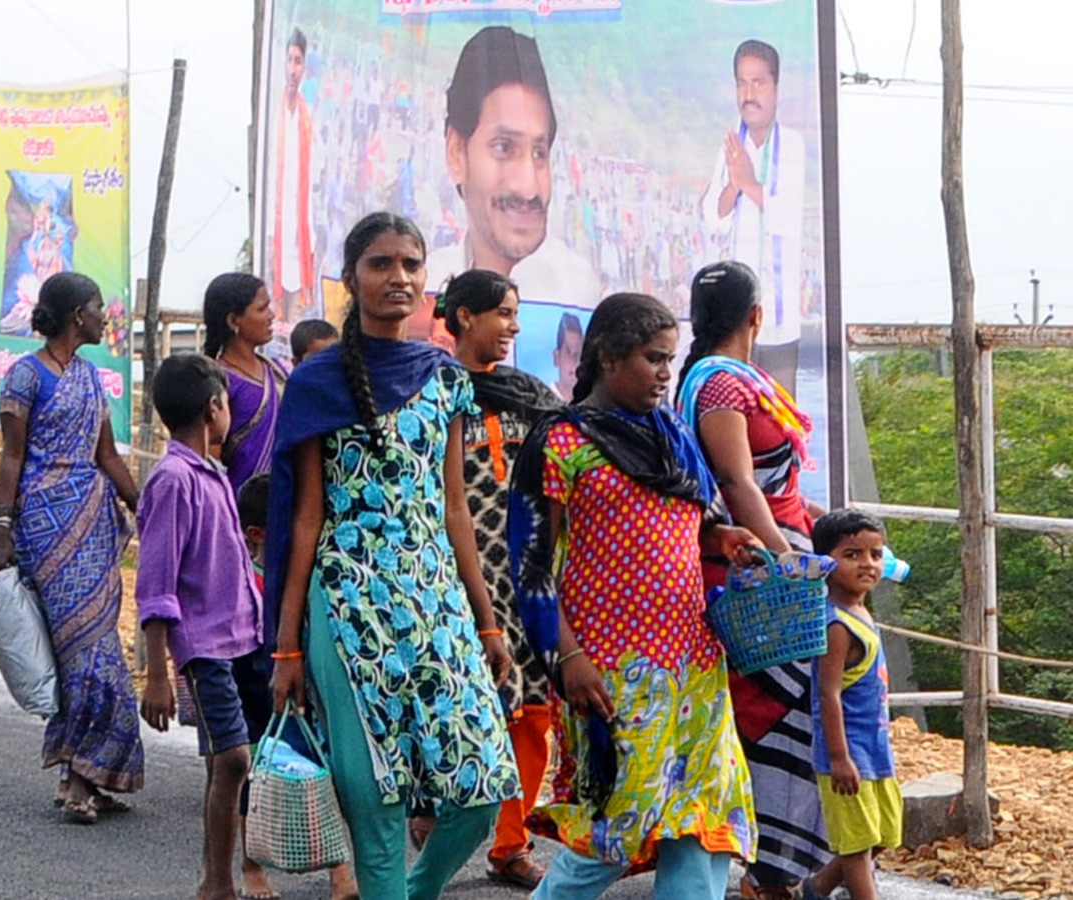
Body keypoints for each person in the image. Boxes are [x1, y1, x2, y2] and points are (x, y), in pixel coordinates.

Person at [267, 212, 520, 899]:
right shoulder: (318, 383)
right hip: (348, 603)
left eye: (411, 264)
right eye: (381, 264)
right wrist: (287, 644)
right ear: (352, 280)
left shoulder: (445, 379)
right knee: (376, 803)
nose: (398, 277)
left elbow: (456, 508)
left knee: (482, 787)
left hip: (436, 599)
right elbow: (304, 518)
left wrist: (487, 622)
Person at [509, 292, 758, 900]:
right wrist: (568, 659)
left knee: (699, 829)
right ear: (607, 355)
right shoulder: (561, 443)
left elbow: (689, 525)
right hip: (613, 673)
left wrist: (723, 537)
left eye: (670, 359)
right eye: (653, 358)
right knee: (611, 836)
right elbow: (531, 570)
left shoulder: (671, 435)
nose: (665, 374)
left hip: (693, 669)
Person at [675, 261, 828, 900]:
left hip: (777, 553)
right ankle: (767, 869)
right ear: (757, 317)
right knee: (780, 708)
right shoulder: (720, 388)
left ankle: (781, 865)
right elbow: (738, 484)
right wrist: (782, 556)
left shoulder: (730, 381)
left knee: (799, 706)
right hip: (754, 572)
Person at [0, 271, 142, 824]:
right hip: (45, 527)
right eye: (100, 307)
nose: (106, 316)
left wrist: (143, 507)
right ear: (78, 314)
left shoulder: (91, 377)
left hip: (93, 522)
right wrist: (2, 529)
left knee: (98, 645)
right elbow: (11, 458)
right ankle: (78, 778)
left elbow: (108, 456)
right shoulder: (24, 377)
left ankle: (87, 774)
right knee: (81, 650)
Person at [427, 268, 561, 888]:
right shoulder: (429, 392)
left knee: (534, 711)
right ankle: (439, 818)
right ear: (462, 318)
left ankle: (510, 843)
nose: (511, 326)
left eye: (515, 314)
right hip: (454, 577)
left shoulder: (533, 396)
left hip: (527, 575)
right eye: (501, 313)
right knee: (467, 710)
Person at [136, 354, 267, 900]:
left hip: (241, 638)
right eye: (227, 403)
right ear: (214, 407)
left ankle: (217, 880)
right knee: (233, 759)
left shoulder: (213, 474)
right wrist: (159, 672)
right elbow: (157, 579)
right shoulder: (172, 480)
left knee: (229, 761)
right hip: (205, 646)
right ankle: (218, 881)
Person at [236, 472, 360, 900]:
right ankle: (252, 866)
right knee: (256, 772)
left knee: (326, 769)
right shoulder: (245, 581)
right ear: (257, 534)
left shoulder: (311, 571)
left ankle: (340, 872)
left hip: (308, 684)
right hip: (255, 686)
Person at [426, 26, 598, 309]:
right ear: (456, 153)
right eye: (504, 148)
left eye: (539, 153)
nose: (528, 188)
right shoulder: (430, 282)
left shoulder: (575, 288)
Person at [802, 510, 902, 900]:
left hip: (874, 746)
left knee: (885, 831)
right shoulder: (836, 625)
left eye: (875, 555)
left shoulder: (860, 612)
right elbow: (827, 695)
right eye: (853, 554)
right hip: (846, 750)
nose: (867, 564)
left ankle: (818, 886)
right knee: (858, 844)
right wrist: (840, 757)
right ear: (827, 563)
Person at [702, 39, 805, 397]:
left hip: (779, 321)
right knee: (737, 415)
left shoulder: (793, 146)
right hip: (735, 322)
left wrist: (749, 182)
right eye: (742, 83)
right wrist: (734, 185)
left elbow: (789, 221)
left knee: (779, 423)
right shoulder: (730, 146)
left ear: (775, 88)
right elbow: (713, 218)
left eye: (758, 82)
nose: (749, 93)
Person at [203, 273, 280, 497]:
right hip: (238, 511)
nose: (271, 316)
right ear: (234, 321)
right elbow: (211, 457)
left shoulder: (277, 372)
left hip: (283, 503)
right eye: (262, 309)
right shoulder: (218, 381)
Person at [269, 26, 315, 322]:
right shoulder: (274, 116)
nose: (292, 69)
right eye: (289, 60)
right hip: (275, 233)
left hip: (300, 234)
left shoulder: (308, 119)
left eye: (298, 61)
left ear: (305, 67)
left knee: (297, 321)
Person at [549, 312, 583, 402]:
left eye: (577, 354)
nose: (575, 362)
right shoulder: (541, 402)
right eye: (568, 353)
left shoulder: (587, 405)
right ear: (556, 357)